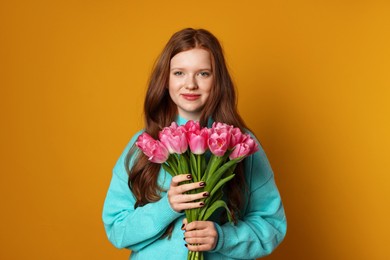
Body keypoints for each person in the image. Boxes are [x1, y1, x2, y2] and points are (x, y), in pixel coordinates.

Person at [102, 28, 287, 259]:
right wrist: (166, 208)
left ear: (218, 80)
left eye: (203, 74)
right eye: (179, 73)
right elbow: (117, 229)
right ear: (165, 80)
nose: (190, 84)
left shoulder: (240, 144)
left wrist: (222, 238)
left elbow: (271, 224)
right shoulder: (145, 144)